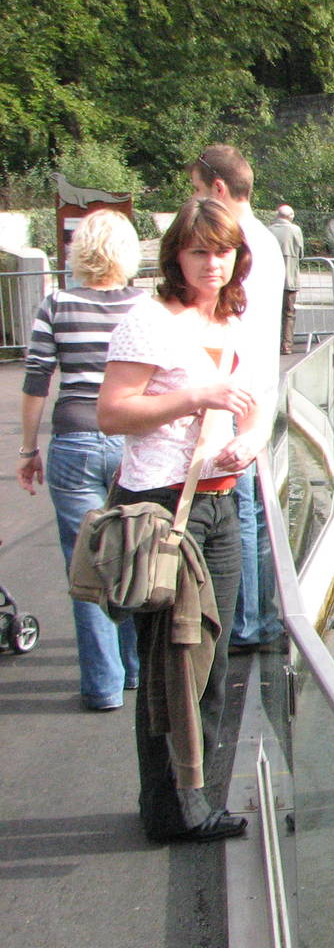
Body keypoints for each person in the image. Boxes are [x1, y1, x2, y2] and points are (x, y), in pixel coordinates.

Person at [98, 196, 264, 844]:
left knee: (212, 659)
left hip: (220, 501)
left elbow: (250, 404)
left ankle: (195, 798)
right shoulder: (151, 321)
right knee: (172, 663)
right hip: (167, 509)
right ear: (175, 255)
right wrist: (196, 395)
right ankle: (171, 810)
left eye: (221, 251)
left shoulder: (232, 317)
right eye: (199, 251)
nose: (212, 263)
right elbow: (112, 413)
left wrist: (248, 441)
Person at [17, 210, 146, 710]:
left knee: (87, 564)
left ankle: (102, 685)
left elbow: (36, 382)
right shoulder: (144, 305)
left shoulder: (57, 304)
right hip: (129, 439)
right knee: (136, 551)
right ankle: (135, 669)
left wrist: (29, 449)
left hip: (73, 441)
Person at [188, 145, 285, 653]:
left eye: (199, 191)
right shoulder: (267, 239)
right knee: (253, 512)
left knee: (239, 511)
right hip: (260, 390)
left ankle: (245, 621)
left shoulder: (236, 243)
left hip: (237, 395)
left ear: (218, 188)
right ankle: (256, 615)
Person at [267, 204, 303, 354]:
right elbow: (301, 253)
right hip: (289, 278)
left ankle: (270, 343)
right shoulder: (295, 230)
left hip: (270, 280)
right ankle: (287, 345)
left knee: (271, 312)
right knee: (289, 313)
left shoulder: (268, 230)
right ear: (291, 216)